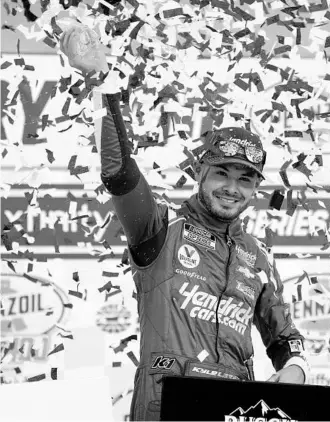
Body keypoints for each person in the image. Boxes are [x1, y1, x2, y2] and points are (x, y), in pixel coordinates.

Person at [60, 24, 309, 422]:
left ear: (256, 188)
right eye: (221, 174)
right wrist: (103, 80)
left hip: (235, 410)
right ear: (200, 173)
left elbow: (285, 338)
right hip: (165, 404)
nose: (232, 188)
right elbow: (119, 172)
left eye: (245, 179)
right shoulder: (159, 228)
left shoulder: (257, 256)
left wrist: (295, 367)